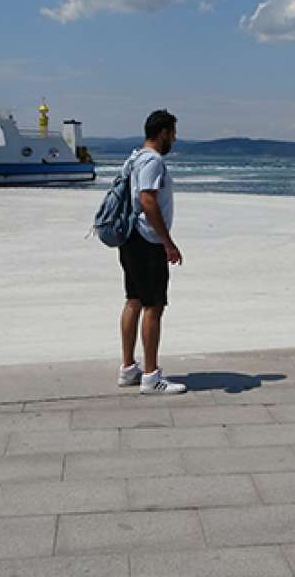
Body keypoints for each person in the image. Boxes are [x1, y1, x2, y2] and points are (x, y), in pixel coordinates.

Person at [116, 110, 185, 395]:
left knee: (133, 300)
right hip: (147, 241)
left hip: (131, 238)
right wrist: (167, 241)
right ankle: (150, 377)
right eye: (173, 133)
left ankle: (128, 368)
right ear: (163, 132)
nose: (175, 139)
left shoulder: (134, 158)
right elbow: (147, 200)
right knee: (153, 306)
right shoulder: (153, 161)